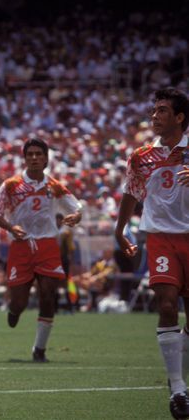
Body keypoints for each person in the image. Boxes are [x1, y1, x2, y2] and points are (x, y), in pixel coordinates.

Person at [115, 87, 189, 419]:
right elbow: (131, 192)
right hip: (159, 237)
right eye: (154, 110)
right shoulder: (141, 156)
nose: (154, 116)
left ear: (179, 117)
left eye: (162, 111)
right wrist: (119, 230)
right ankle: (177, 389)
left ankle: (180, 377)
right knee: (168, 303)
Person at [0, 137, 82, 363]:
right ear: (24, 158)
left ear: (46, 158)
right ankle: (14, 310)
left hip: (47, 245)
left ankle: (39, 349)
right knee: (19, 302)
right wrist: (11, 227)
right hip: (21, 247)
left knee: (49, 294)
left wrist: (75, 216)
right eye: (30, 154)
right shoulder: (11, 184)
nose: (34, 158)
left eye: (38, 154)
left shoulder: (54, 186)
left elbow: (76, 207)